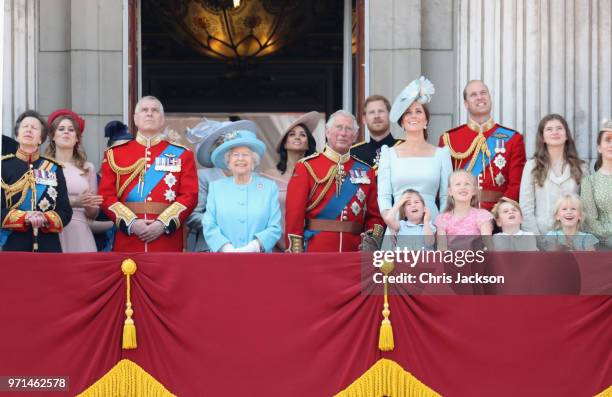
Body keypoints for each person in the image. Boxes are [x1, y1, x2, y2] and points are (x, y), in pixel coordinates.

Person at [99, 96, 198, 252]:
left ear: (162, 119)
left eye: (155, 110)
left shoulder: (182, 154)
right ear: (135, 118)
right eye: (144, 110)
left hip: (166, 240)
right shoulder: (115, 154)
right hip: (129, 239)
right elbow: (106, 196)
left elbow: (189, 196)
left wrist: (162, 224)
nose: (149, 114)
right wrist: (132, 223)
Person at [285, 110, 384, 252]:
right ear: (327, 132)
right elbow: (294, 214)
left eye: (348, 129)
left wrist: (371, 242)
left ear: (354, 136)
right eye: (338, 127)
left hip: (354, 252)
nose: (343, 133)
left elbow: (375, 216)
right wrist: (295, 250)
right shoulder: (306, 166)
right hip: (316, 250)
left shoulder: (366, 171)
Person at [379, 76, 452, 231]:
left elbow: (446, 197)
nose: (413, 116)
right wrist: (390, 220)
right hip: (398, 224)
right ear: (402, 122)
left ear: (426, 121)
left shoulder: (441, 154)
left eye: (418, 111)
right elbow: (384, 196)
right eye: (408, 113)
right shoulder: (389, 154)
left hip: (432, 226)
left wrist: (440, 226)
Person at [439, 80, 526, 210]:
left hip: (498, 216)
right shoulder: (449, 139)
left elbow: (516, 184)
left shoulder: (513, 138)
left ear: (490, 98)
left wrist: (500, 213)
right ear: (465, 103)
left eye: (483, 93)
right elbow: (444, 185)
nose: (479, 97)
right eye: (473, 94)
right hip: (461, 214)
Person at [1, 110, 72, 252]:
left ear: (41, 138)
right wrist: (25, 217)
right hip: (14, 246)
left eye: (34, 128)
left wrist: (45, 218)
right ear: (17, 134)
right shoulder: (4, 166)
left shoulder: (54, 168)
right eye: (25, 126)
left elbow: (65, 211)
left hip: (48, 246)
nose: (28, 130)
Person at [203, 129, 281, 252]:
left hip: (258, 259)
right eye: (235, 155)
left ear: (253, 161)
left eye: (245, 154)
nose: (240, 159)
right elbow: (209, 224)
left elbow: (275, 227)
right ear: (228, 162)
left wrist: (253, 247)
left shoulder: (269, 188)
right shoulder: (216, 188)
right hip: (223, 259)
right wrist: (226, 248)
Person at [184, 119, 252, 252]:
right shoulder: (204, 176)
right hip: (211, 248)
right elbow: (192, 216)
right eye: (224, 145)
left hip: (247, 248)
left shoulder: (253, 177)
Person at [520, 114, 587, 235]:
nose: (555, 132)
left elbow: (586, 206)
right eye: (549, 129)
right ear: (543, 137)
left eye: (559, 128)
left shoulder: (581, 167)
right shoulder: (532, 166)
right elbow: (526, 208)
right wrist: (537, 241)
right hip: (541, 237)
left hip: (574, 238)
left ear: (566, 135)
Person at [261, 111, 319, 251]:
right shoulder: (267, 177)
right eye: (292, 134)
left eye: (303, 135)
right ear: (284, 143)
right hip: (275, 245)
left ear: (308, 144)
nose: (297, 137)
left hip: (310, 244)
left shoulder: (318, 177)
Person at [45, 109, 101, 252]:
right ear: (52, 136)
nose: (66, 132)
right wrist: (75, 202)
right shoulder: (43, 167)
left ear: (77, 138)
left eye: (71, 130)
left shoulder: (87, 168)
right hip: (52, 230)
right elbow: (39, 204)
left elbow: (93, 214)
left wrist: (89, 204)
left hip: (80, 230)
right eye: (61, 129)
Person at [90, 121, 133, 251]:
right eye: (118, 149)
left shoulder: (136, 184)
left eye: (128, 149)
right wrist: (115, 223)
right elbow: (84, 223)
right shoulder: (95, 181)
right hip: (101, 246)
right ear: (107, 152)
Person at [435, 170, 493, 250]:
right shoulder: (442, 219)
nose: (463, 187)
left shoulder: (482, 216)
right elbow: (442, 249)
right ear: (450, 191)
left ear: (473, 191)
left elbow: (489, 246)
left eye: (467, 184)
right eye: (458, 184)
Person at [581, 120, 612, 247]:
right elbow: (590, 222)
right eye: (608, 140)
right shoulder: (589, 182)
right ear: (599, 147)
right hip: (604, 247)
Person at [351, 95, 402, 170]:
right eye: (372, 112)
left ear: (390, 115)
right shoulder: (354, 154)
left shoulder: (402, 148)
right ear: (364, 119)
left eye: (381, 111)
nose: (376, 116)